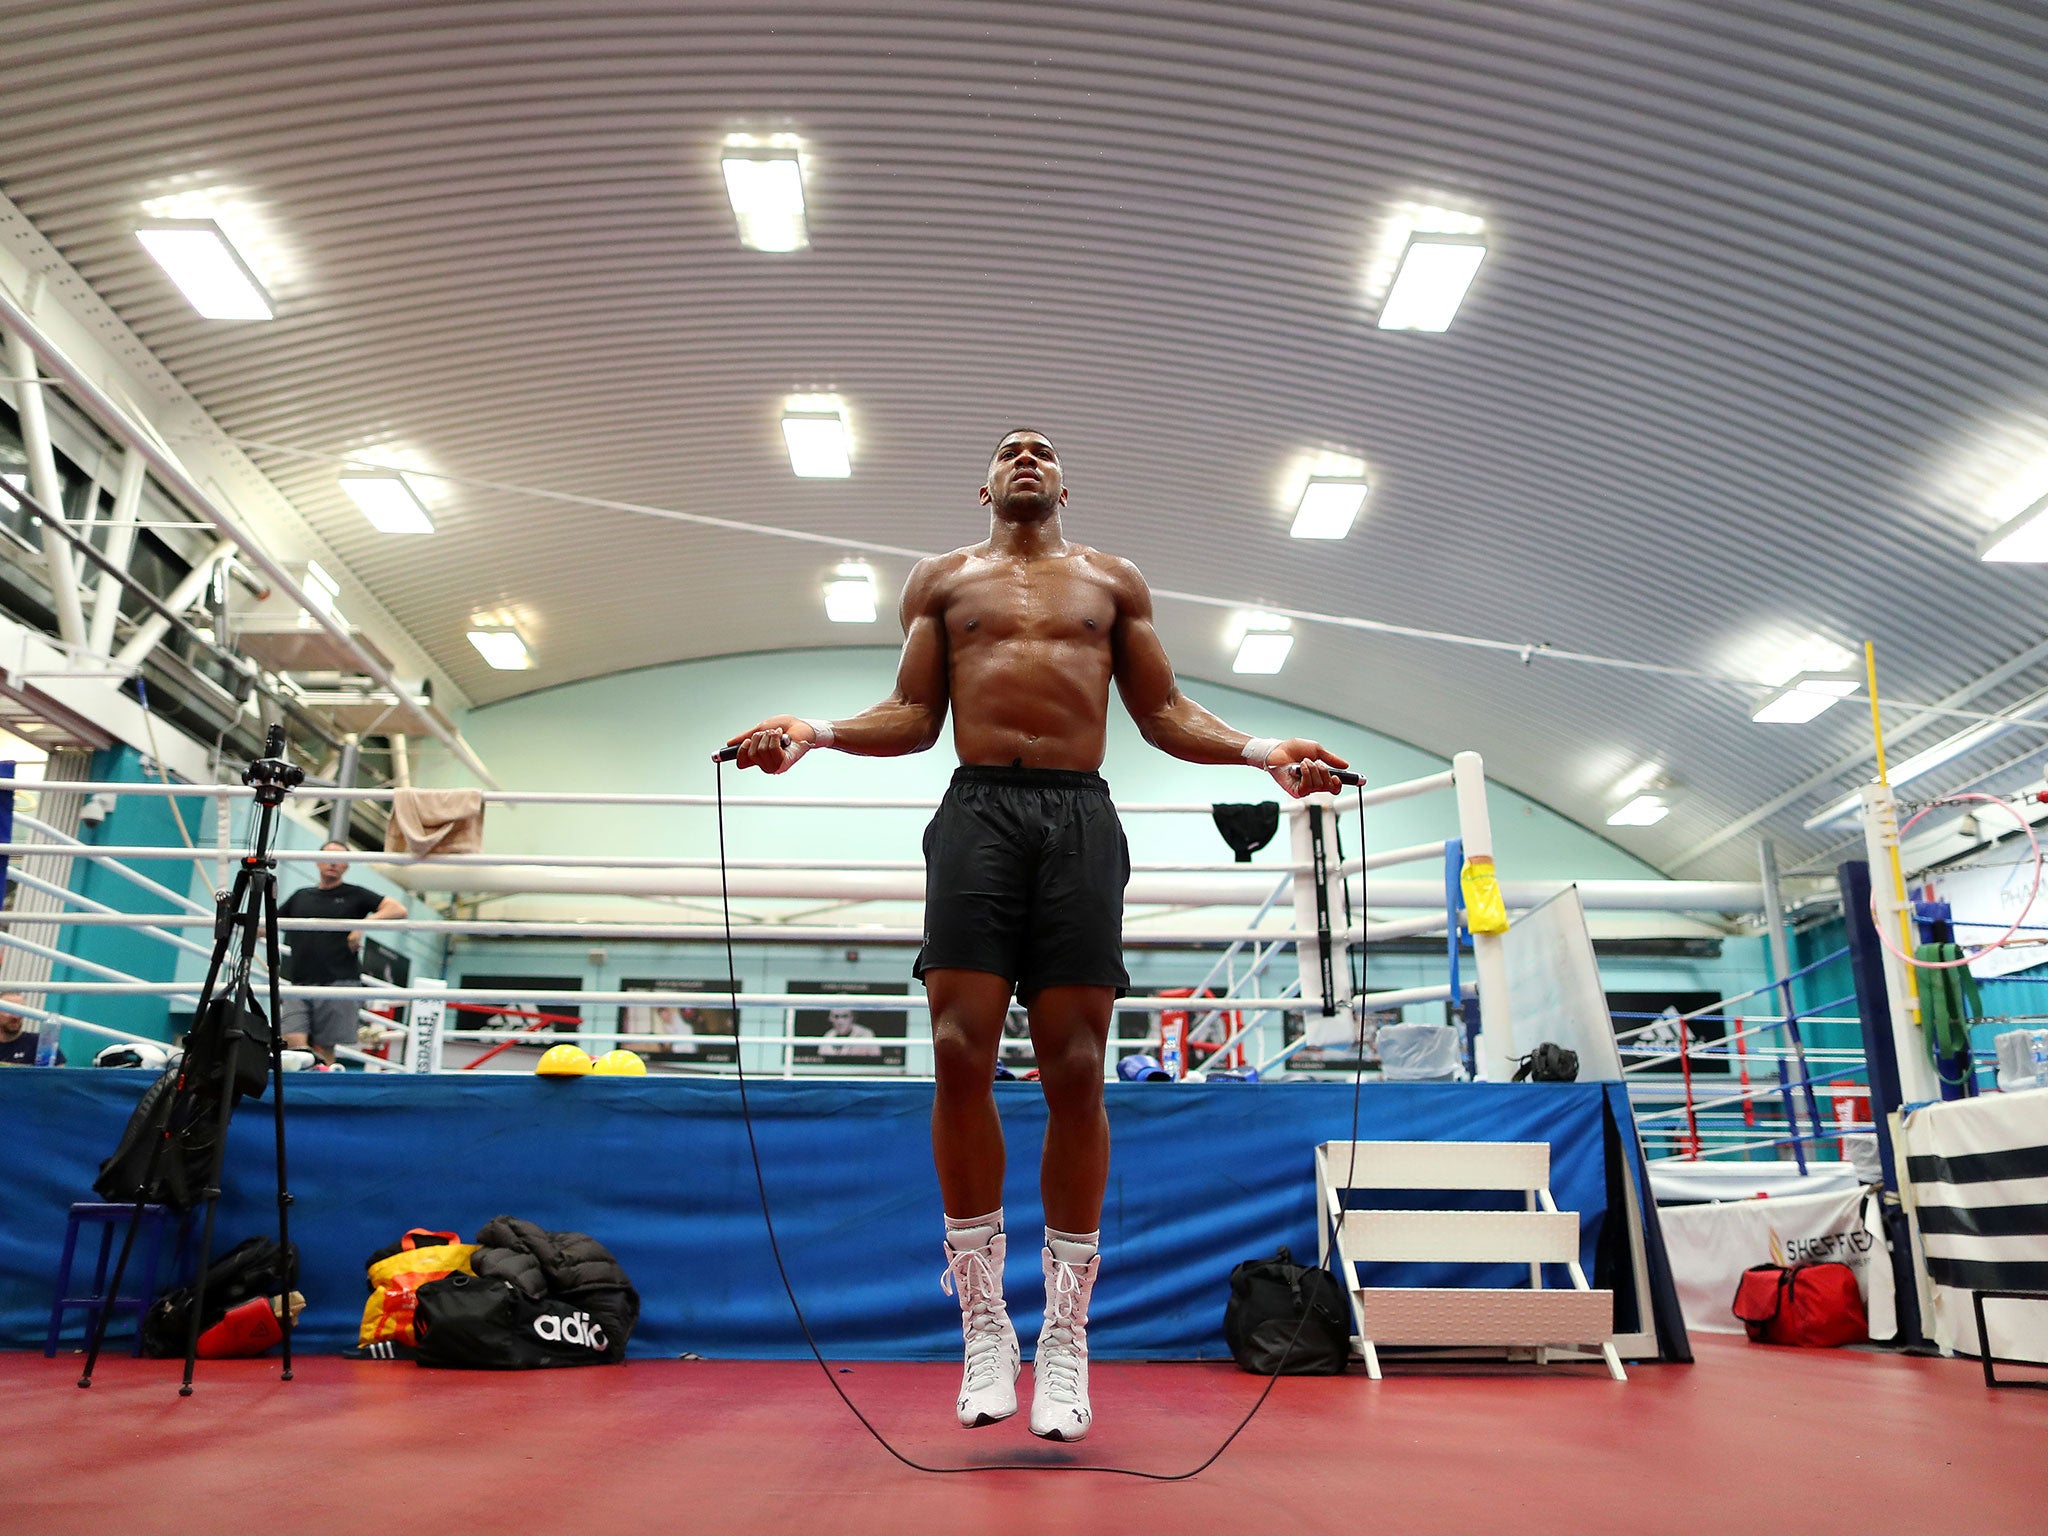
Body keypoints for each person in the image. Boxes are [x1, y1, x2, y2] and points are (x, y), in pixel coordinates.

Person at [730, 429, 1346, 1440]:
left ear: (1064, 483)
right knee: (954, 1048)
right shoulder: (939, 580)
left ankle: (1064, 1335)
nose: (1026, 457)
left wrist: (1261, 752)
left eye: (1042, 450)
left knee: (1074, 1065)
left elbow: (1161, 712)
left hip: (1078, 817)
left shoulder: (1111, 580)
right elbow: (911, 713)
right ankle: (984, 1324)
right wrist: (814, 732)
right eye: (1009, 450)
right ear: (983, 486)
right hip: (975, 812)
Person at [273, 840, 405, 1065]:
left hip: (338, 981)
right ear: (317, 862)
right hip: (300, 982)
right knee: (292, 1040)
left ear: (347, 866)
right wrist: (239, 921)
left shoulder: (355, 895)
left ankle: (320, 1089)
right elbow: (269, 925)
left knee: (325, 1047)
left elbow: (398, 909)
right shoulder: (301, 896)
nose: (333, 863)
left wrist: (364, 925)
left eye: (340, 859)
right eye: (328, 857)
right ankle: (300, 1087)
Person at [0, 991, 61, 1065]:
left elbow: (58, 1075)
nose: (16, 1016)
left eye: (20, 1010)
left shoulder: (41, 1043)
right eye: (9, 1010)